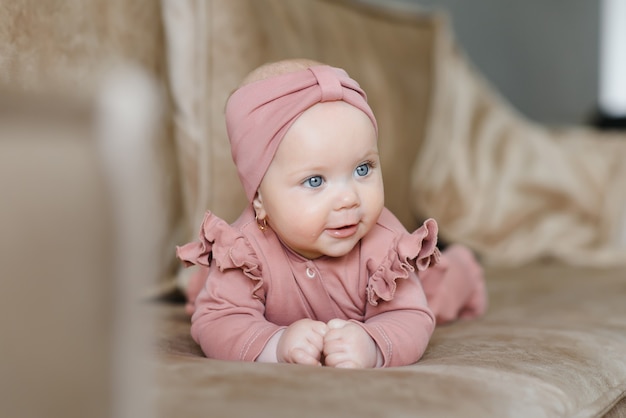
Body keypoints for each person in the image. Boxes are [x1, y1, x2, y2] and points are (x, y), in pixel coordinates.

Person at [177, 59, 486, 368]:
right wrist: (276, 345)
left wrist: (373, 346)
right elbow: (219, 323)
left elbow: (410, 318)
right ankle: (205, 283)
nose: (349, 199)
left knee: (437, 294)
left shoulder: (384, 242)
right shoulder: (246, 250)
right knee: (220, 293)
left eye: (362, 169)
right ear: (259, 199)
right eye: (315, 181)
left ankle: (463, 268)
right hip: (250, 279)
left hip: (413, 284)